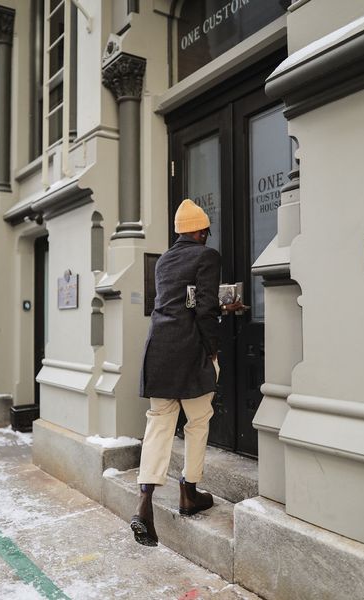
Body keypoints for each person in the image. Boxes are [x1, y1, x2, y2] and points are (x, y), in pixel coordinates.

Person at [130, 199, 246, 547]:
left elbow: (182, 302)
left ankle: (144, 503)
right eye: (206, 231)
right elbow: (204, 309)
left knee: (158, 424)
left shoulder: (164, 260)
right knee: (197, 422)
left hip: (158, 350)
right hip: (191, 352)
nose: (207, 236)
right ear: (200, 231)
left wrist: (215, 307)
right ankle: (189, 490)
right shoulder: (207, 257)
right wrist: (212, 348)